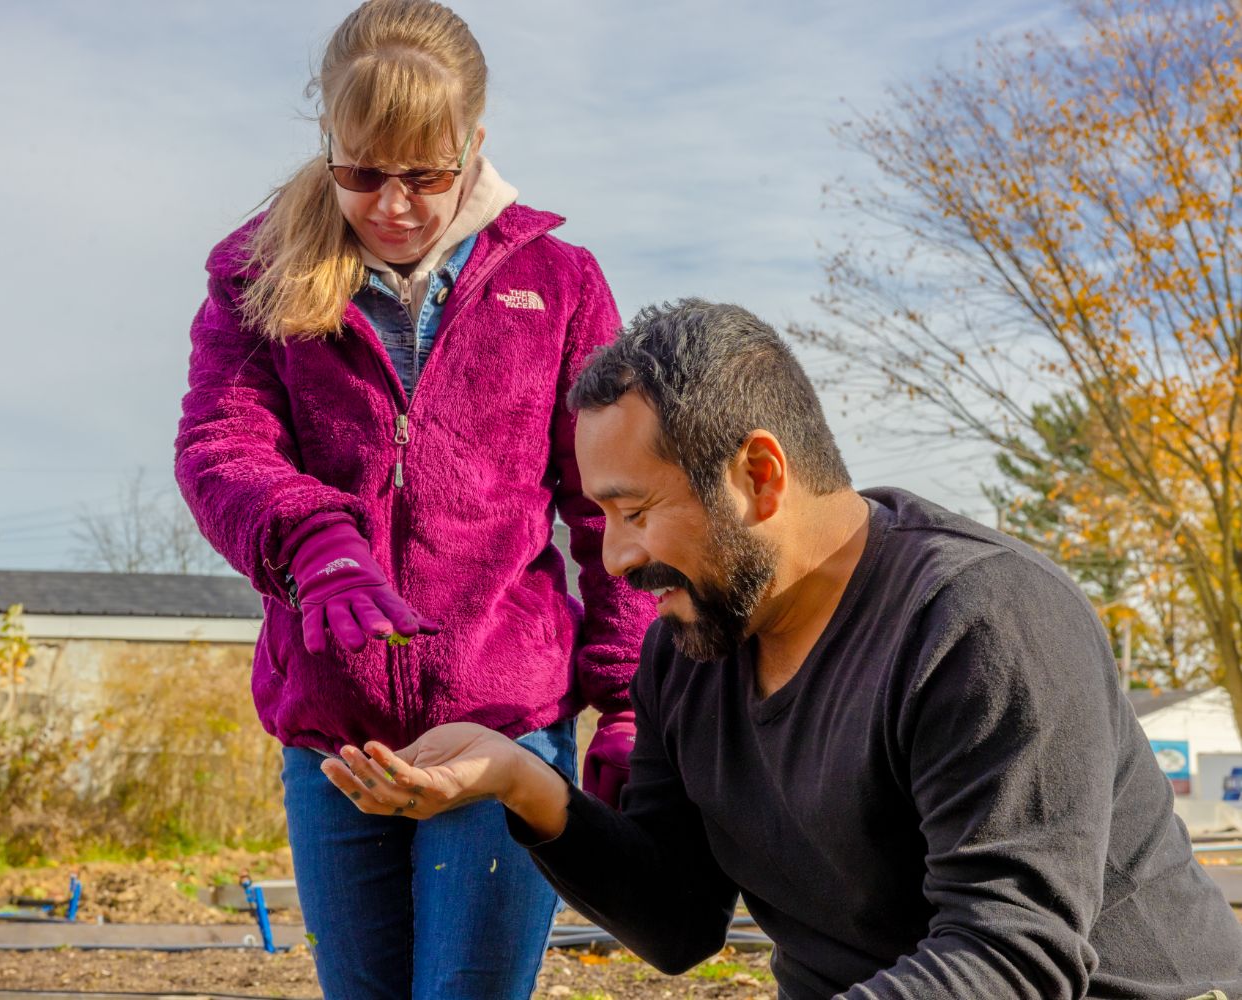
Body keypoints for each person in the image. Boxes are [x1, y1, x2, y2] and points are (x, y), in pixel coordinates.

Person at [320, 299, 1242, 999]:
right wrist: (521, 779)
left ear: (760, 476)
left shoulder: (980, 622)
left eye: (636, 511)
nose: (616, 555)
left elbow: (1012, 954)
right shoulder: (690, 647)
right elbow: (680, 921)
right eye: (602, 515)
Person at [173, 2, 655, 996]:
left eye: (426, 175)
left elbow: (611, 501)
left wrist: (631, 698)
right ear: (330, 146)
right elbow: (220, 447)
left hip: (501, 729)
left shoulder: (559, 286)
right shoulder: (255, 274)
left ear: (474, 146)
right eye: (362, 173)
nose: (392, 205)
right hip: (335, 739)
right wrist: (313, 540)